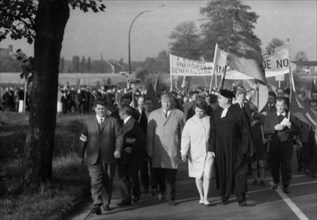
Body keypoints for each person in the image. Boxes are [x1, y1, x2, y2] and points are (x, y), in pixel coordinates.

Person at [209, 89, 254, 207]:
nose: (218, 100)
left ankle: (241, 198)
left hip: (236, 149)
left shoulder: (239, 112)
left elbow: (246, 131)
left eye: (220, 98)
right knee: (223, 172)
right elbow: (212, 132)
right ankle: (224, 195)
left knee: (239, 173)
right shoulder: (215, 113)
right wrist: (212, 148)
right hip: (221, 149)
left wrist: (246, 148)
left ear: (227, 100)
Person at [78, 100, 124, 214]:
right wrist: (80, 155)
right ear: (94, 109)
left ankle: (106, 202)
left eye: (103, 108)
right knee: (95, 181)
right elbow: (83, 139)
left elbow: (120, 137)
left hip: (109, 157)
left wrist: (118, 150)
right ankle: (97, 203)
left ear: (106, 108)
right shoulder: (88, 122)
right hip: (93, 158)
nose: (101, 111)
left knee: (108, 181)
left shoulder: (113, 121)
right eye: (98, 108)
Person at [147, 93, 185, 206]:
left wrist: (183, 148)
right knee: (159, 174)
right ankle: (162, 190)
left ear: (172, 102)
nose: (167, 104)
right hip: (158, 149)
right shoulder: (153, 114)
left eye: (169, 102)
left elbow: (184, 132)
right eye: (164, 102)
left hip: (172, 148)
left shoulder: (179, 114)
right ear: (160, 102)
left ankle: (171, 198)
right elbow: (150, 135)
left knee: (171, 176)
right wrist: (150, 149)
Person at [181, 99, 215, 206]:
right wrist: (184, 151)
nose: (198, 113)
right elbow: (185, 138)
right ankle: (201, 195)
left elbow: (214, 136)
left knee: (207, 174)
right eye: (196, 111)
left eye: (201, 111)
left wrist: (214, 149)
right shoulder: (190, 122)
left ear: (205, 110)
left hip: (208, 151)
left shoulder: (210, 120)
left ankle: (206, 197)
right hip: (195, 152)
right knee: (198, 175)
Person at [263, 97, 299, 194]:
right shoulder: (270, 116)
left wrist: (291, 126)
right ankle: (276, 181)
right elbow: (265, 130)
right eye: (278, 105)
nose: (280, 107)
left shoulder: (290, 116)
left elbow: (297, 130)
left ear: (285, 105)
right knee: (274, 166)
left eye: (282, 105)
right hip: (274, 146)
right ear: (275, 105)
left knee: (286, 167)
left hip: (286, 146)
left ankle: (286, 185)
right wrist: (274, 128)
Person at [117, 105, 146, 206]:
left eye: (119, 113)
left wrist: (132, 148)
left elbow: (142, 139)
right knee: (123, 177)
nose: (119, 115)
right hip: (123, 156)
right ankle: (126, 199)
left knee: (132, 177)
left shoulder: (134, 123)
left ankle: (136, 192)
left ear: (123, 113)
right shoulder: (124, 123)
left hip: (133, 156)